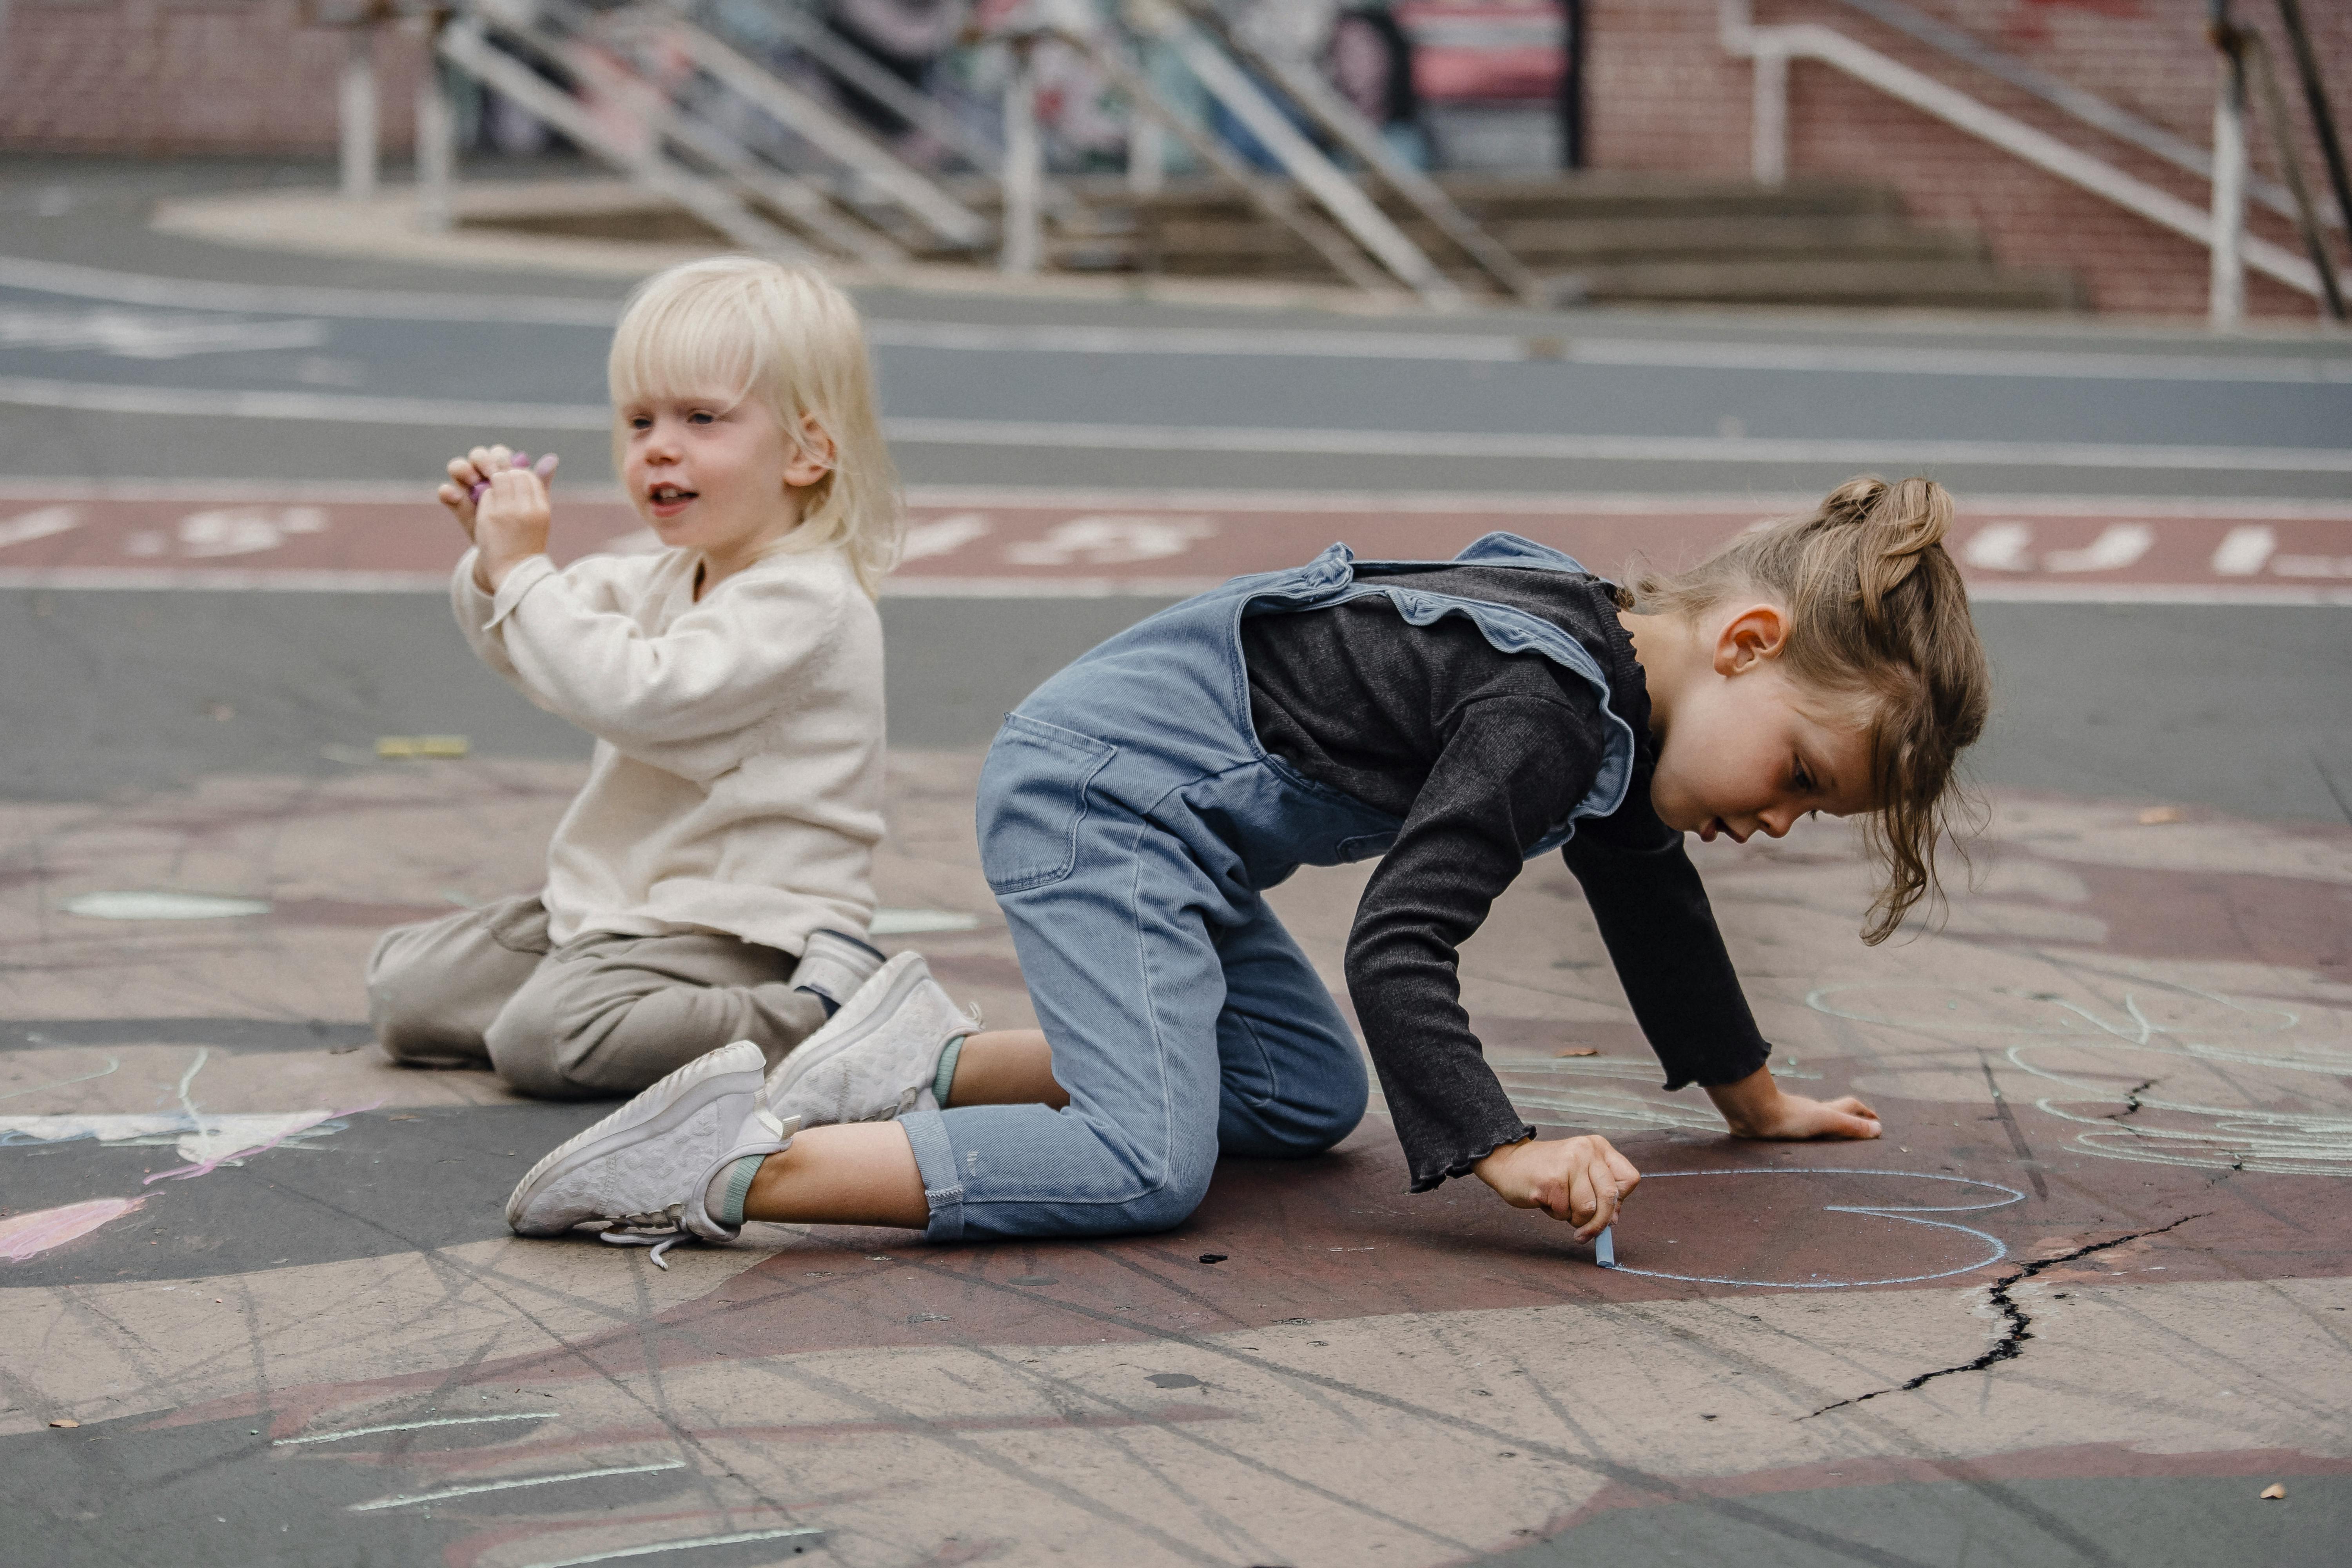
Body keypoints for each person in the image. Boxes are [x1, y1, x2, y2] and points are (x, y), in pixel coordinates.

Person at [503, 475, 1989, 1257]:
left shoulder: (1612, 666)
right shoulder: (1549, 705)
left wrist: (1755, 1100)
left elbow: (1649, 891)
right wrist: (1498, 1145)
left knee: (1302, 1099)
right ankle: (722, 1170)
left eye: (1818, 812)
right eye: (1801, 775)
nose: (1782, 820)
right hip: (1102, 806)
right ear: (1743, 645)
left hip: (1169, 828)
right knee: (1147, 1162)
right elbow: (1400, 945)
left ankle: (922, 1060)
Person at [366, 256, 904, 1101]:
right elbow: (542, 650)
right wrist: (492, 566)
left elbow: (633, 692)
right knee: (406, 991)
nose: (659, 445)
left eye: (701, 417)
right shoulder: (671, 572)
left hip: (739, 920)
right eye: (639, 419)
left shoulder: (804, 599)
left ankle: (824, 1009)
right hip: (617, 906)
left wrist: (523, 575)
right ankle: (607, 998)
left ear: (808, 450)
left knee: (546, 1040)